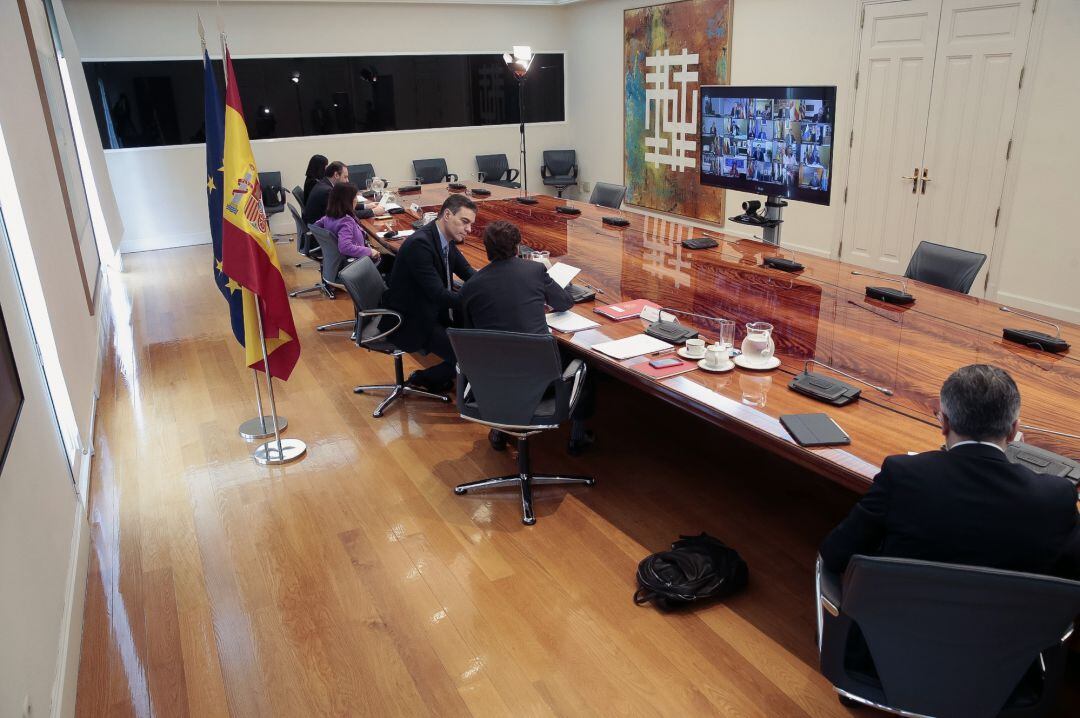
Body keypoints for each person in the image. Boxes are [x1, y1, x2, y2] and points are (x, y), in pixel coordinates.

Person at [820, 364, 1080, 579]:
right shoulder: (1056, 497)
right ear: (1013, 431)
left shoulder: (903, 475)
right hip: (1013, 639)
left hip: (895, 635)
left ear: (943, 422)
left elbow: (835, 554)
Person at [460, 220, 594, 454]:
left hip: (492, 382)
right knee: (583, 361)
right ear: (518, 247)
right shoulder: (534, 270)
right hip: (542, 382)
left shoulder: (471, 286)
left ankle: (500, 429)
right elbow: (564, 302)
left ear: (486, 248)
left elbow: (471, 334)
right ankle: (577, 437)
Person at [380, 194, 478, 392]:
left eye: (471, 224)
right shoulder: (421, 244)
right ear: (448, 215)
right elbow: (438, 294)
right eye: (464, 222)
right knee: (467, 355)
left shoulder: (444, 237)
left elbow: (467, 272)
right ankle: (423, 378)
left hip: (432, 312)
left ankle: (436, 378)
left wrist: (495, 285)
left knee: (474, 342)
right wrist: (477, 301)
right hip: (413, 319)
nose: (469, 229)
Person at [313, 182, 381, 263]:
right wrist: (370, 251)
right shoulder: (346, 221)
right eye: (355, 197)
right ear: (348, 200)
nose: (357, 200)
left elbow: (315, 228)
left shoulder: (328, 217)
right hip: (358, 263)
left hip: (336, 262)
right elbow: (345, 247)